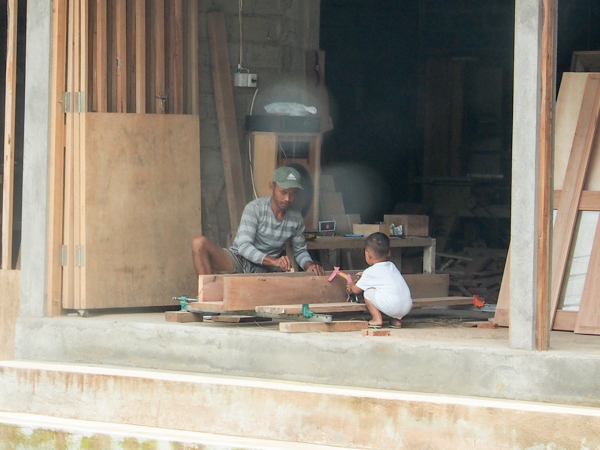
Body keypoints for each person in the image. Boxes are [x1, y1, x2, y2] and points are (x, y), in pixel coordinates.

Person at [192, 166, 324, 276]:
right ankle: (207, 291)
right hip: (239, 260)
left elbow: (300, 251)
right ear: (271, 187)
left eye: (293, 193)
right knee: (199, 243)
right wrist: (274, 261)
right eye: (283, 192)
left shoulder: (296, 219)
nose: (287, 198)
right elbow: (243, 247)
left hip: (266, 269)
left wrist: (310, 265)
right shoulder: (255, 208)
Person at [346, 232, 412, 328]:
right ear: (389, 253)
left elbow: (356, 290)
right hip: (407, 307)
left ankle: (377, 319)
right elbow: (382, 277)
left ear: (368, 255)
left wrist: (351, 284)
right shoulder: (392, 266)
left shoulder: (370, 271)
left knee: (368, 292)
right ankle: (396, 321)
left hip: (392, 306)